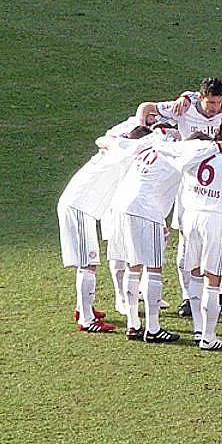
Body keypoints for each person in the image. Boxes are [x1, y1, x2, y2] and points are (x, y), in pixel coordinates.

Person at [101, 127, 222, 343]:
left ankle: (133, 324)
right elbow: (205, 147)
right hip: (145, 210)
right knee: (153, 268)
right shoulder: (187, 151)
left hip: (120, 205)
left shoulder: (155, 146)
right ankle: (153, 328)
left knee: (132, 265)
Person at [157, 120, 222, 351]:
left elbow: (165, 150)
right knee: (213, 280)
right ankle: (208, 337)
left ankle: (199, 330)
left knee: (196, 275)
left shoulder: (194, 153)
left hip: (190, 218)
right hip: (215, 219)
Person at [56, 125, 153, 333]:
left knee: (87, 263)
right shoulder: (123, 150)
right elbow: (142, 143)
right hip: (79, 208)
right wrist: (162, 136)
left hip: (81, 208)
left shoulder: (116, 149)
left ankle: (83, 308)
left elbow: (104, 139)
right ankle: (86, 319)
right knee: (88, 264)